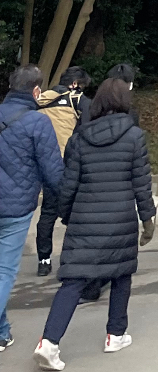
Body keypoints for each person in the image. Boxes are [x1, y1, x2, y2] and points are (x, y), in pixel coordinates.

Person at [33, 78, 156, 371]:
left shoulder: (79, 138)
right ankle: (115, 334)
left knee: (73, 279)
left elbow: (68, 185)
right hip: (120, 217)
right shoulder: (135, 136)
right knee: (121, 273)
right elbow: (142, 183)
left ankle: (49, 342)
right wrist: (147, 219)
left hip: (85, 217)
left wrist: (67, 214)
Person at [0, 65, 64, 354]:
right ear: (36, 91)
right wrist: (67, 202)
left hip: (14, 204)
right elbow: (53, 173)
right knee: (4, 270)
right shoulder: (38, 123)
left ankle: (2, 333)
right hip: (15, 208)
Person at [33, 67, 88, 276]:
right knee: (75, 214)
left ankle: (44, 260)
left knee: (48, 213)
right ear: (74, 84)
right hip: (70, 165)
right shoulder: (76, 99)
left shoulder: (41, 100)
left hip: (47, 164)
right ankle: (72, 258)